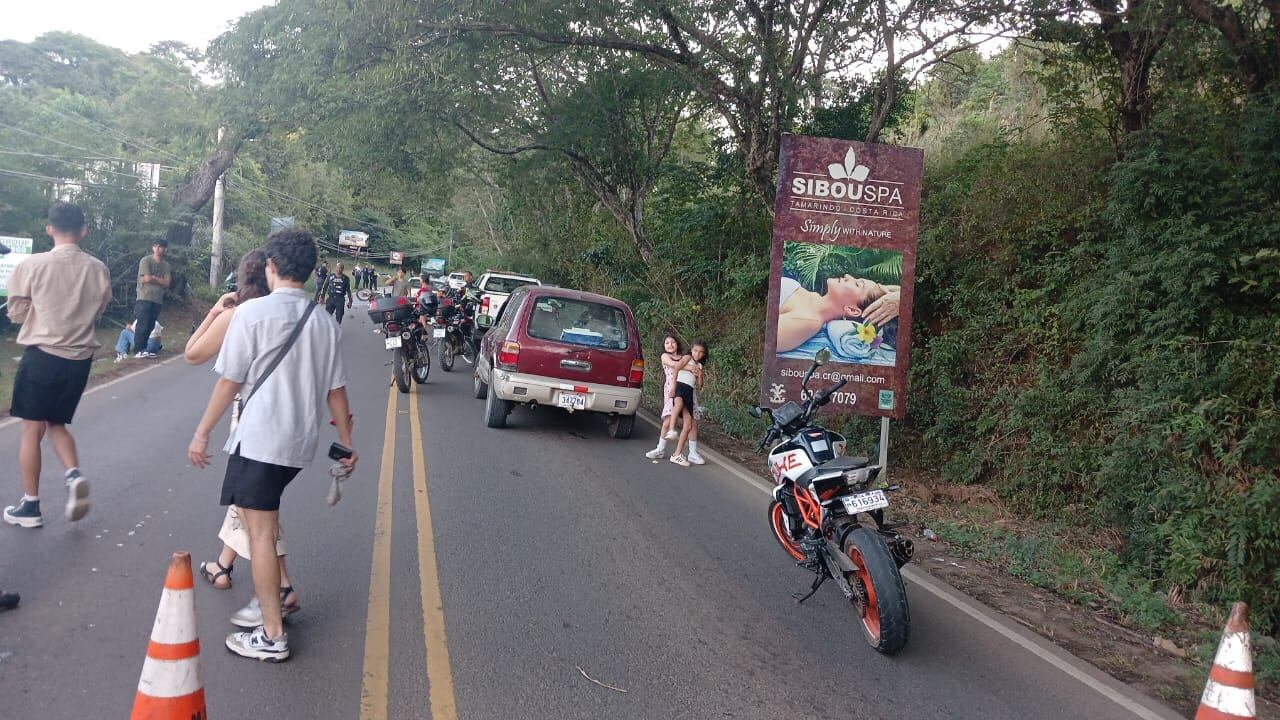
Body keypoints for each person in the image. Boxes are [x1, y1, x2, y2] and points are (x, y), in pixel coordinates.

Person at [188, 228, 356, 662]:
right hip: (299, 443)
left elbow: (229, 382)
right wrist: (346, 440)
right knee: (263, 523)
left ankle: (272, 633)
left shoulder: (252, 314)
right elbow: (336, 390)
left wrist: (202, 431)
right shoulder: (323, 320)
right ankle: (274, 600)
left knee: (259, 537)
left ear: (271, 267)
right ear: (310, 272)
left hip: (261, 440)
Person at [185, 249, 301, 618]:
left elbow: (192, 353)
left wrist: (214, 312)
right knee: (255, 503)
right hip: (288, 421)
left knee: (255, 506)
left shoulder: (239, 316)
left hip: (251, 421)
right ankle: (224, 564)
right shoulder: (285, 315)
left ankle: (280, 589)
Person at [3, 201, 111, 529]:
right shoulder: (98, 269)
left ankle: (31, 506)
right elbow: (100, 310)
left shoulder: (32, 265)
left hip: (42, 356)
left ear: (49, 229)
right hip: (78, 361)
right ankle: (73, 473)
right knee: (56, 425)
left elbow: (16, 312)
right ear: (83, 231)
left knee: (31, 429)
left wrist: (38, 315)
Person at [776, 274, 899, 353]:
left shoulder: (808, 321)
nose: (848, 275)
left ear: (852, 310)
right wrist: (898, 296)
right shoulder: (813, 298)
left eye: (857, 284)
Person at [646, 335, 689, 460]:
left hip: (684, 389)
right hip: (671, 390)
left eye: (673, 342)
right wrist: (690, 367)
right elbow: (674, 366)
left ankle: (690, 452)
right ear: (664, 346)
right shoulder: (665, 356)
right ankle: (660, 449)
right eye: (667, 343)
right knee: (667, 422)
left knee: (688, 422)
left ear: (677, 344)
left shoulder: (683, 357)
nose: (670, 345)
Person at [668, 341, 709, 467]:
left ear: (704, 354)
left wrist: (700, 374)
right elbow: (676, 368)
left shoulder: (699, 366)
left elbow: (700, 385)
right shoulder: (687, 358)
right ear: (691, 350)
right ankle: (671, 430)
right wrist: (673, 386)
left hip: (689, 392)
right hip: (680, 387)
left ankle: (677, 455)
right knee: (678, 404)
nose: (698, 354)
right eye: (696, 350)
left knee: (688, 426)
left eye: (701, 352)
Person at [133, 239, 170, 358]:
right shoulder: (146, 260)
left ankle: (144, 349)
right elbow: (147, 278)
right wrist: (158, 280)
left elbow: (167, 283)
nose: (158, 249)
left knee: (150, 324)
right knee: (142, 324)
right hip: (144, 296)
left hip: (157, 298)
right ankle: (138, 350)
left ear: (165, 249)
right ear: (153, 248)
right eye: (156, 247)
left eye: (161, 247)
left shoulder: (166, 265)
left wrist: (153, 278)